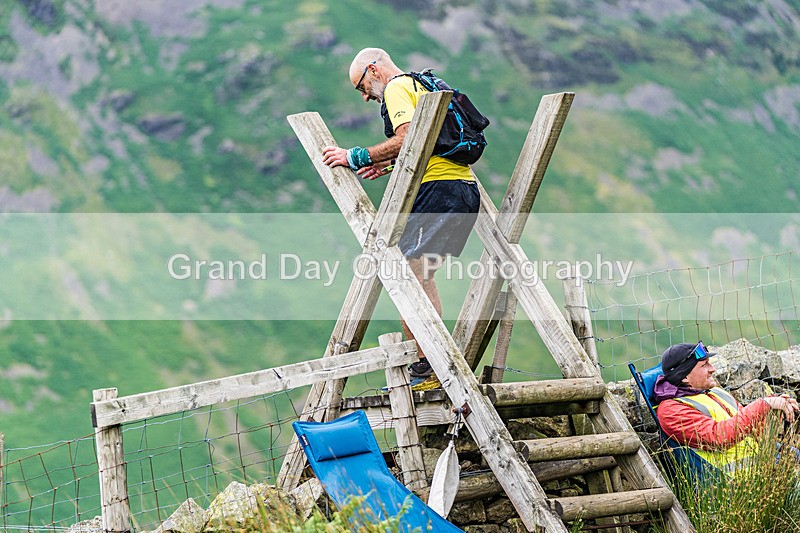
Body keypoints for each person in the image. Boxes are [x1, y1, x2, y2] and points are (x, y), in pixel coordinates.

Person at [321, 48, 480, 389]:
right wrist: (389, 164)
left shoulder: (396, 87)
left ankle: (431, 365)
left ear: (374, 69)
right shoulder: (423, 85)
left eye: (361, 86)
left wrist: (357, 155)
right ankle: (432, 364)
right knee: (420, 272)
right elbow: (431, 143)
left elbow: (408, 136)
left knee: (405, 274)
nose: (365, 97)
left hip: (437, 190)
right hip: (463, 190)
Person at [654, 341, 799, 476]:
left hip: (763, 461)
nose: (713, 369)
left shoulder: (714, 392)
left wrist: (775, 407)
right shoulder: (671, 410)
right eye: (704, 365)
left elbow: (749, 425)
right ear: (684, 376)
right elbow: (719, 437)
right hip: (738, 480)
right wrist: (764, 404)